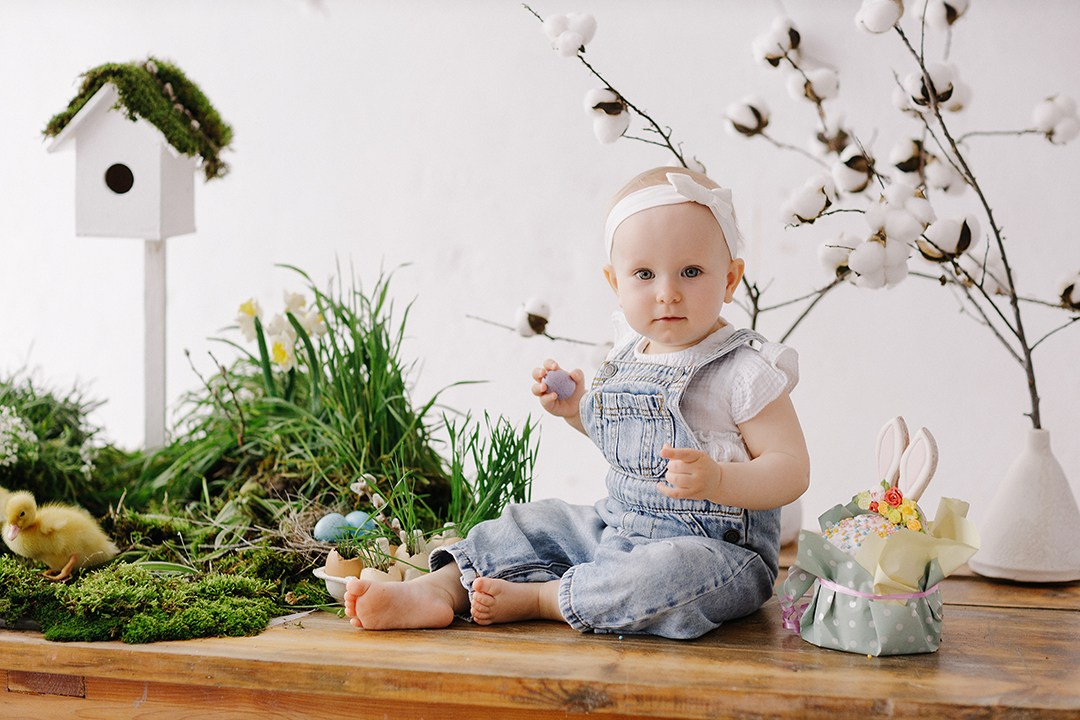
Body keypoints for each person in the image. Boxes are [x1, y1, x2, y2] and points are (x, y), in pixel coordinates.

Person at [343, 166, 810, 639]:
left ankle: (549, 599)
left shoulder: (744, 369)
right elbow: (629, 439)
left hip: (717, 553)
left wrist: (720, 479)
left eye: (691, 272)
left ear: (730, 279)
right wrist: (577, 410)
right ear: (615, 282)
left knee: (667, 575)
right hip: (615, 527)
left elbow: (791, 470)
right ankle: (442, 588)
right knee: (537, 521)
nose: (667, 291)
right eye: (644, 274)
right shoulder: (629, 353)